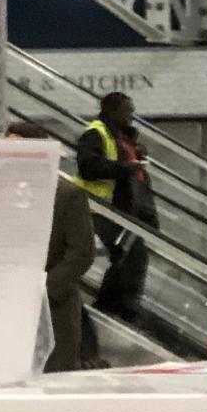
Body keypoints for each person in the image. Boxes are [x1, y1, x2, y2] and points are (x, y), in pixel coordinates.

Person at [9, 120, 100, 371]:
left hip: (53, 309)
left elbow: (82, 252)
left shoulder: (66, 195)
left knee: (53, 379)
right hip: (5, 308)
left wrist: (42, 289)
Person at [75, 91, 155, 321]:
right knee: (132, 255)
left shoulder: (121, 136)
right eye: (127, 110)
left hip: (122, 209)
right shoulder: (96, 133)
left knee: (127, 256)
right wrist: (126, 167)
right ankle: (123, 310)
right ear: (112, 110)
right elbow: (88, 168)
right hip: (100, 206)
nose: (131, 115)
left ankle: (110, 307)